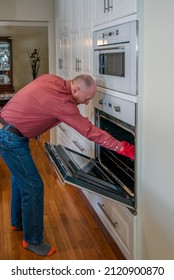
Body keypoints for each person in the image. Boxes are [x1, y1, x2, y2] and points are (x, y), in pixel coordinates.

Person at [0, 73, 134, 257]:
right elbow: (90, 131)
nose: (86, 103)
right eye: (86, 99)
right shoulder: (63, 103)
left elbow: (32, 99)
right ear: (76, 88)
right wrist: (122, 147)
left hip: (6, 125)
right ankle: (32, 241)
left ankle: (18, 222)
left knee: (21, 179)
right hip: (10, 138)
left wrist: (30, 123)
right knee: (33, 187)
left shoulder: (51, 79)